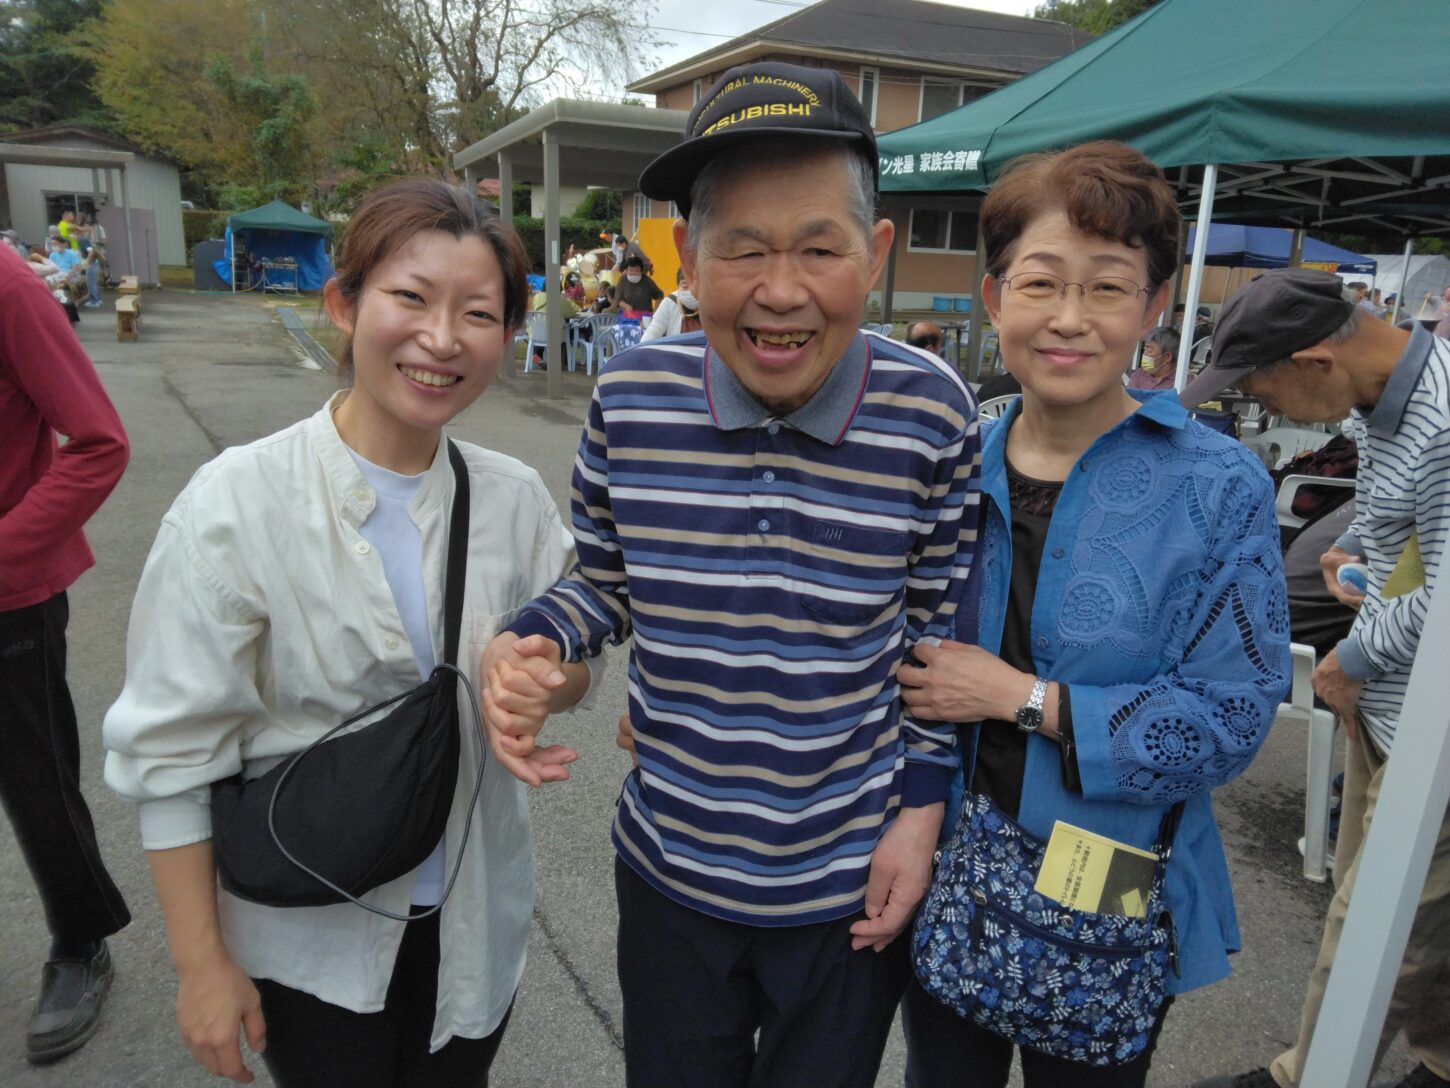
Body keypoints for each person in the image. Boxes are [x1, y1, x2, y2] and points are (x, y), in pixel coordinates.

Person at [481, 61, 981, 1088]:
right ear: (688, 256)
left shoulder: (932, 412)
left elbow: (937, 640)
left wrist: (920, 816)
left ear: (876, 253)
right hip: (670, 868)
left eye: (819, 249)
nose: (781, 290)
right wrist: (533, 635)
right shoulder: (630, 399)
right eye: (744, 249)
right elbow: (605, 581)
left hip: (846, 884)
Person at [103, 179, 595, 1088]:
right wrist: (200, 964)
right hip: (307, 944)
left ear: (505, 334)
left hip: (473, 922)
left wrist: (542, 681)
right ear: (344, 303)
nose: (441, 339)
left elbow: (572, 663)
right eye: (411, 297)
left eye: (477, 313)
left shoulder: (514, 500)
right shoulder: (235, 504)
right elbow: (171, 756)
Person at [896, 141, 1290, 1088]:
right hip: (943, 866)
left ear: (1153, 309)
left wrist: (1022, 698)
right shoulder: (949, 464)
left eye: (1108, 288)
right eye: (1040, 283)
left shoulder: (1216, 486)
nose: (1069, 319)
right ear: (995, 300)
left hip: (1109, 879)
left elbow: (1232, 718)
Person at [1184, 268, 1449, 1088]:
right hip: (1395, 703)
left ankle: (1308, 1076)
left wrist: (1351, 659)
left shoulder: (1443, 421)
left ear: (1313, 362)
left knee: (1376, 920)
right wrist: (1353, 549)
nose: (1264, 409)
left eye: (1262, 390)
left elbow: (1446, 595)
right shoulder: (1378, 400)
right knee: (1409, 911)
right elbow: (1397, 520)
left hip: (1430, 723)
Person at [0, 243, 132, 1064]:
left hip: (10, 595)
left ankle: (81, 939)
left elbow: (99, 442)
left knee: (36, 779)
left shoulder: (9, 287)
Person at [641, 268, 700, 341]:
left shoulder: (711, 304)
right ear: (678, 286)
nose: (691, 291)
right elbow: (653, 332)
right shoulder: (670, 302)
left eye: (696, 287)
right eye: (685, 286)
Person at [1127, 325, 1179, 389]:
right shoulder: (1138, 375)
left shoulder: (1182, 382)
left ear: (1167, 357)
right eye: (1145, 349)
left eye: (1149, 350)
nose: (1144, 354)